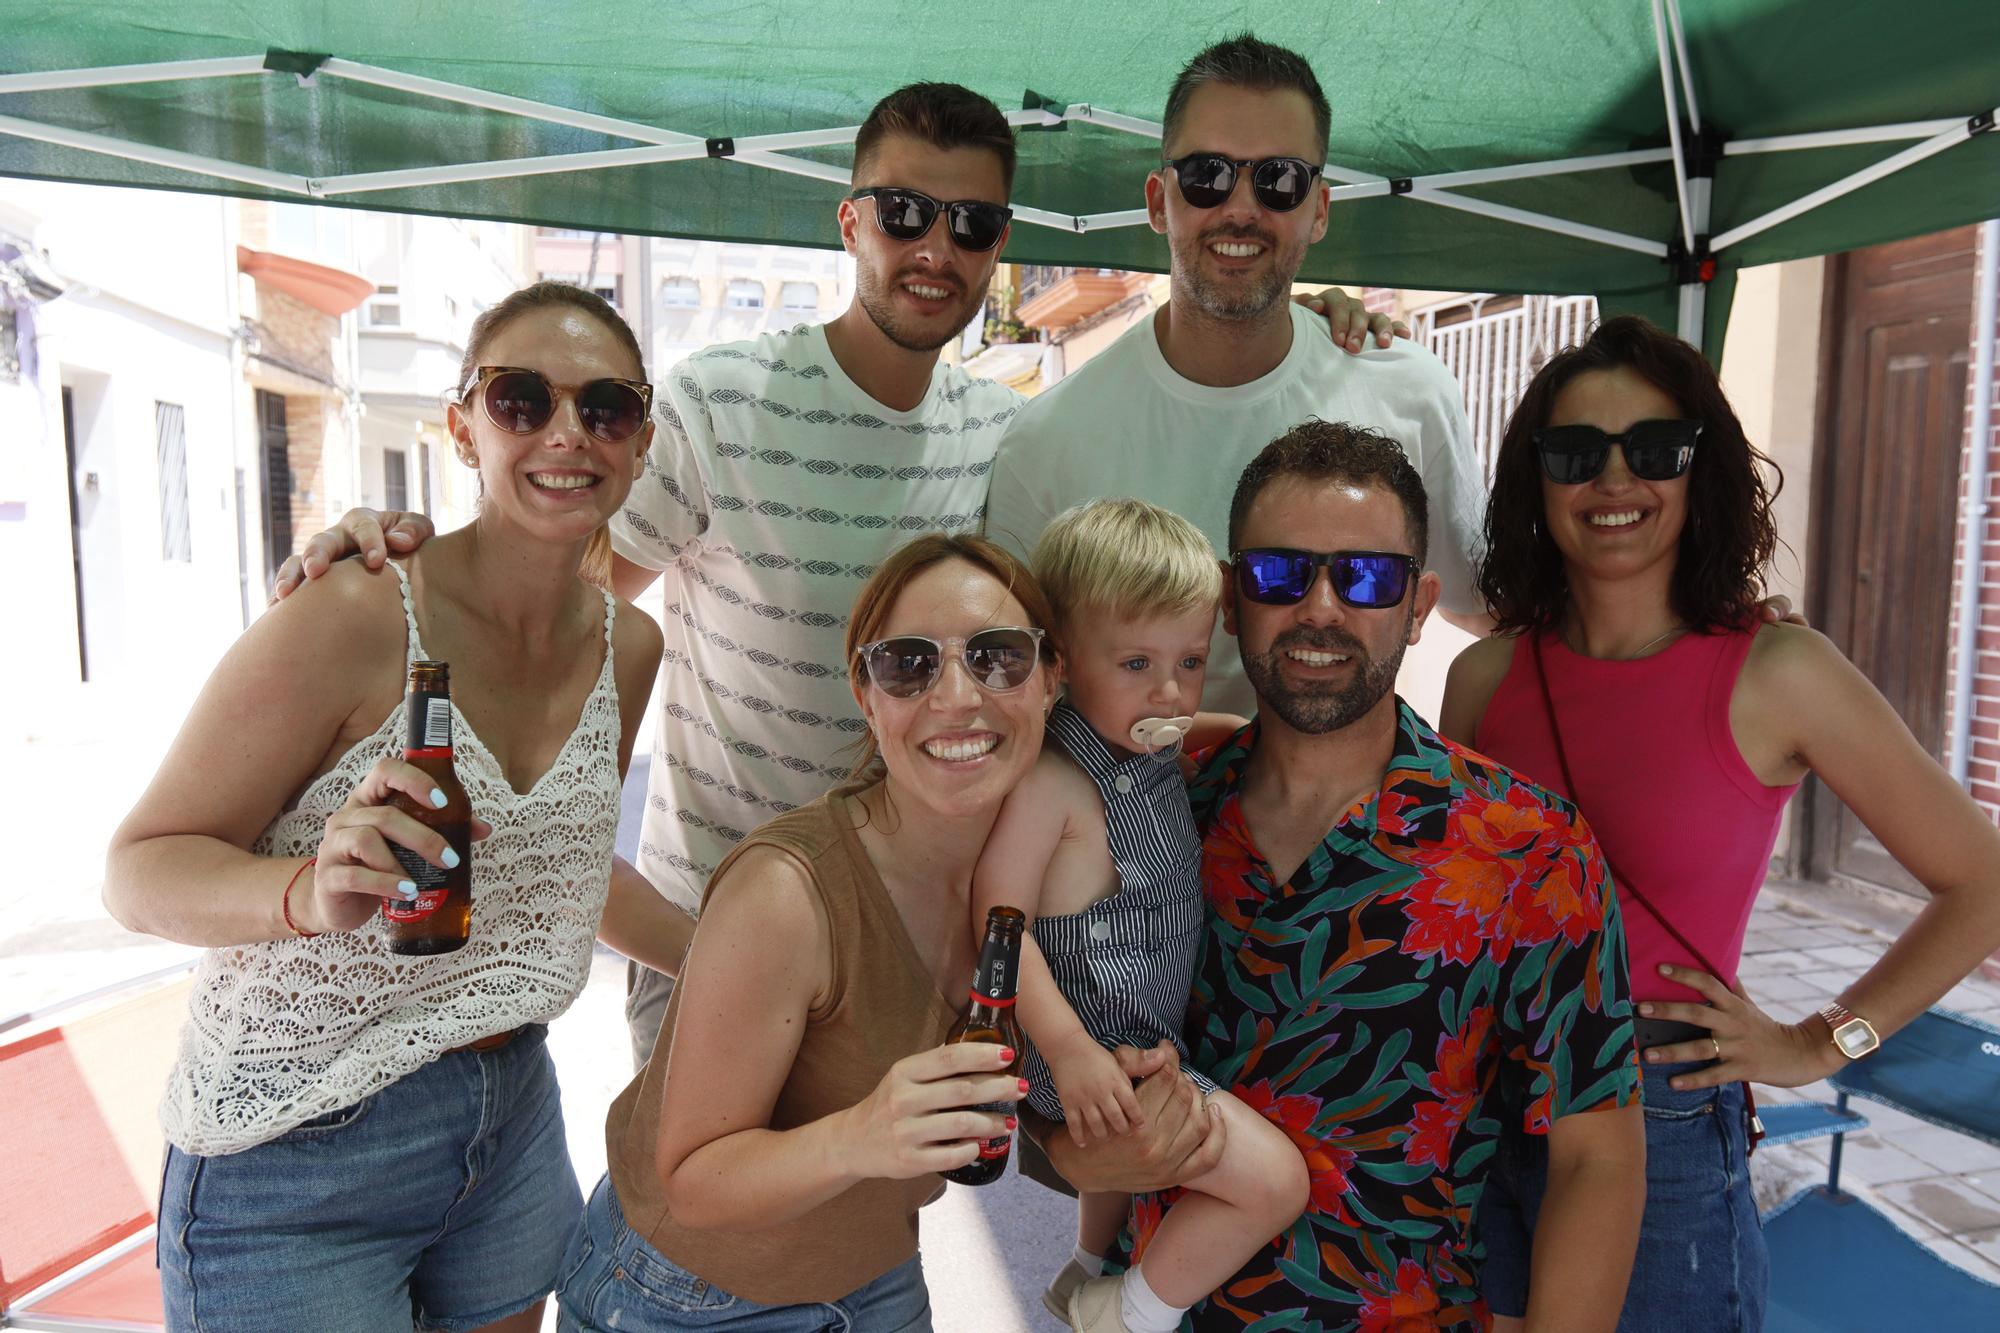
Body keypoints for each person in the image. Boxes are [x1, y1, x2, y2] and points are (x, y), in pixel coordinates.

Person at [271, 80, 1399, 1068]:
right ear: (849, 222)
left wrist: (1317, 317)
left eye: (970, 223)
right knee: (701, 1259)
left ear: (998, 244)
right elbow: (544, 606)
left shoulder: (1003, 438)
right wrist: (398, 542)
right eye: (904, 213)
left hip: (907, 938)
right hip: (711, 931)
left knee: (859, 1256)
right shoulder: (721, 404)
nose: (934, 249)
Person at [102, 282, 688, 1332]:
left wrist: (760, 958)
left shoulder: (627, 648)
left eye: (604, 408)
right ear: (462, 425)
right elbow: (139, 866)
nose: (566, 434)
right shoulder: (357, 610)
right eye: (521, 399)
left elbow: (553, 871)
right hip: (296, 1153)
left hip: (508, 1119)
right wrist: (304, 889)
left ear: (641, 441)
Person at [1437, 315, 2000, 1333]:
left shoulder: (1778, 669)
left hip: (1661, 1114)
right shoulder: (1483, 678)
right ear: (1536, 478)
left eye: (1652, 449)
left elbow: (1983, 882)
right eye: (1574, 453)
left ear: (1702, 471)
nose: (1613, 481)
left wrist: (1823, 1042)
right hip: (1487, 1106)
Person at [1038, 421, 1647, 1331]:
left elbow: (1596, 1155)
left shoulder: (1529, 849)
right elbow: (1043, 1039)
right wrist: (1073, 1156)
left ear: (1417, 604)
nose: (1321, 606)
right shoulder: (1152, 809)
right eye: (1282, 574)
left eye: (1366, 576)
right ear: (1233, 600)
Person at [553, 533, 1054, 1331]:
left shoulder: (1027, 859)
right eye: (909, 664)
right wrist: (866, 1132)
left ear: (1050, 678)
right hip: (687, 1299)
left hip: (874, 1266)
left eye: (998, 656)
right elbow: (692, 1177)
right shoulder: (788, 892)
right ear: (867, 693)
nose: (958, 694)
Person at [985, 33, 1493, 720]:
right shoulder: (1048, 439)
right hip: (1118, 824)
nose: (1241, 208)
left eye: (1279, 179)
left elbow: (1491, 616)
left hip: (1344, 822)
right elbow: (1006, 679)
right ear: (1159, 200)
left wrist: (1461, 776)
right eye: (1207, 175)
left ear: (1319, 208)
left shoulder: (1410, 391)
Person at [969, 499, 1307, 1333]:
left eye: (1190, 661)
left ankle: (1086, 1264)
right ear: (1060, 666)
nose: (1169, 690)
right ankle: (1128, 1311)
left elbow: (1208, 730)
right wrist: (1067, 1047)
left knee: (1124, 1181)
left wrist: (1264, 739)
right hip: (1086, 1051)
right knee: (1276, 1181)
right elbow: (995, 920)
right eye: (1135, 663)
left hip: (1130, 1028)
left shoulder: (1149, 746)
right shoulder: (1055, 784)